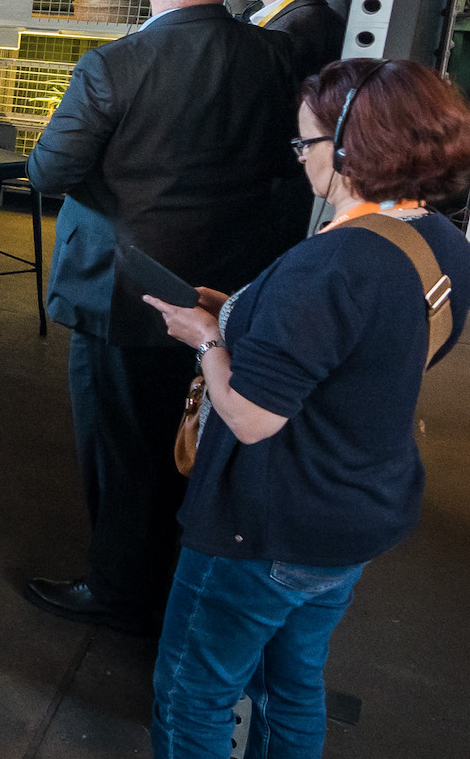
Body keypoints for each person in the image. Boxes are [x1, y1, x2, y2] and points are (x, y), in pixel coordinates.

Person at [144, 58, 470, 758]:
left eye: (307, 143)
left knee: (190, 693)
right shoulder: (439, 240)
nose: (301, 159)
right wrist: (242, 317)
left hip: (267, 527)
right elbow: (373, 353)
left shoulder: (330, 265)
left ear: (353, 148)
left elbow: (251, 418)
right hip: (353, 515)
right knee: (291, 688)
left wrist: (206, 340)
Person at [24, 0, 304, 636]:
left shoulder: (114, 64)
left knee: (119, 447)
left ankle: (119, 588)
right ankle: (181, 583)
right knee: (196, 439)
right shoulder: (276, 58)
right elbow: (289, 167)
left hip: (122, 292)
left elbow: (50, 170)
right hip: (229, 293)